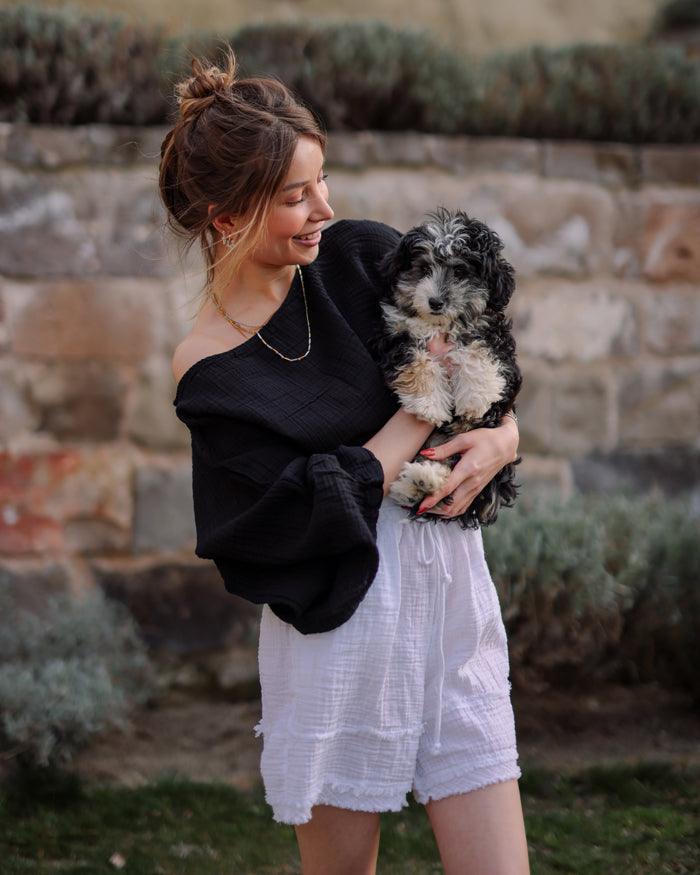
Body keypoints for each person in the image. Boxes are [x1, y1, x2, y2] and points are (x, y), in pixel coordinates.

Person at [161, 43, 530, 875]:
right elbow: (285, 512)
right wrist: (413, 415)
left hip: (452, 595)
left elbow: (479, 346)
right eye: (296, 196)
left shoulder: (362, 255)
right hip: (341, 619)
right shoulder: (210, 366)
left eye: (322, 181)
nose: (324, 207)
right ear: (225, 216)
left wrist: (507, 435)